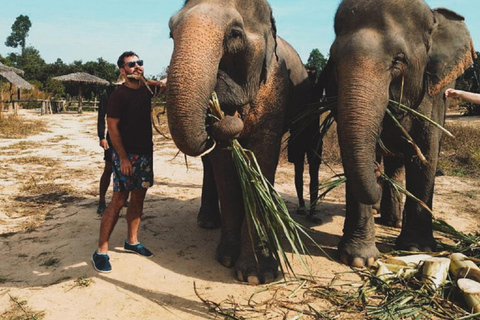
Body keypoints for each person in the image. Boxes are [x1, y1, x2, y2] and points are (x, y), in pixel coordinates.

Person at [92, 51, 166, 273]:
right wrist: (122, 157)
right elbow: (112, 127)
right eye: (131, 64)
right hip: (125, 155)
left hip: (145, 153)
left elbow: (165, 84)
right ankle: (101, 251)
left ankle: (132, 241)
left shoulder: (147, 89)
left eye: (139, 63)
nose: (137, 67)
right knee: (118, 200)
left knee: (139, 197)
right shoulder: (118, 95)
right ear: (122, 70)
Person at [96, 84, 116, 214]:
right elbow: (101, 116)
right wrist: (102, 137)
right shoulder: (109, 92)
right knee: (109, 168)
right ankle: (102, 200)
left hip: (130, 136)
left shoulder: (136, 88)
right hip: (113, 135)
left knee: (126, 170)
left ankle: (120, 198)